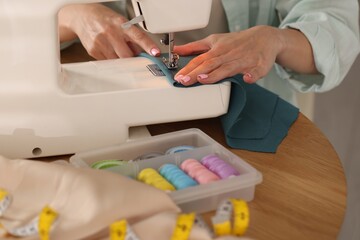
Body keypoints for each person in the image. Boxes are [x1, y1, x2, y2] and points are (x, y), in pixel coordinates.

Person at [58, 0, 360, 105]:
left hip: (252, 103)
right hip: (120, 100)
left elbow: (334, 26)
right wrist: (72, 14)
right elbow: (14, 20)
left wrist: (275, 40)